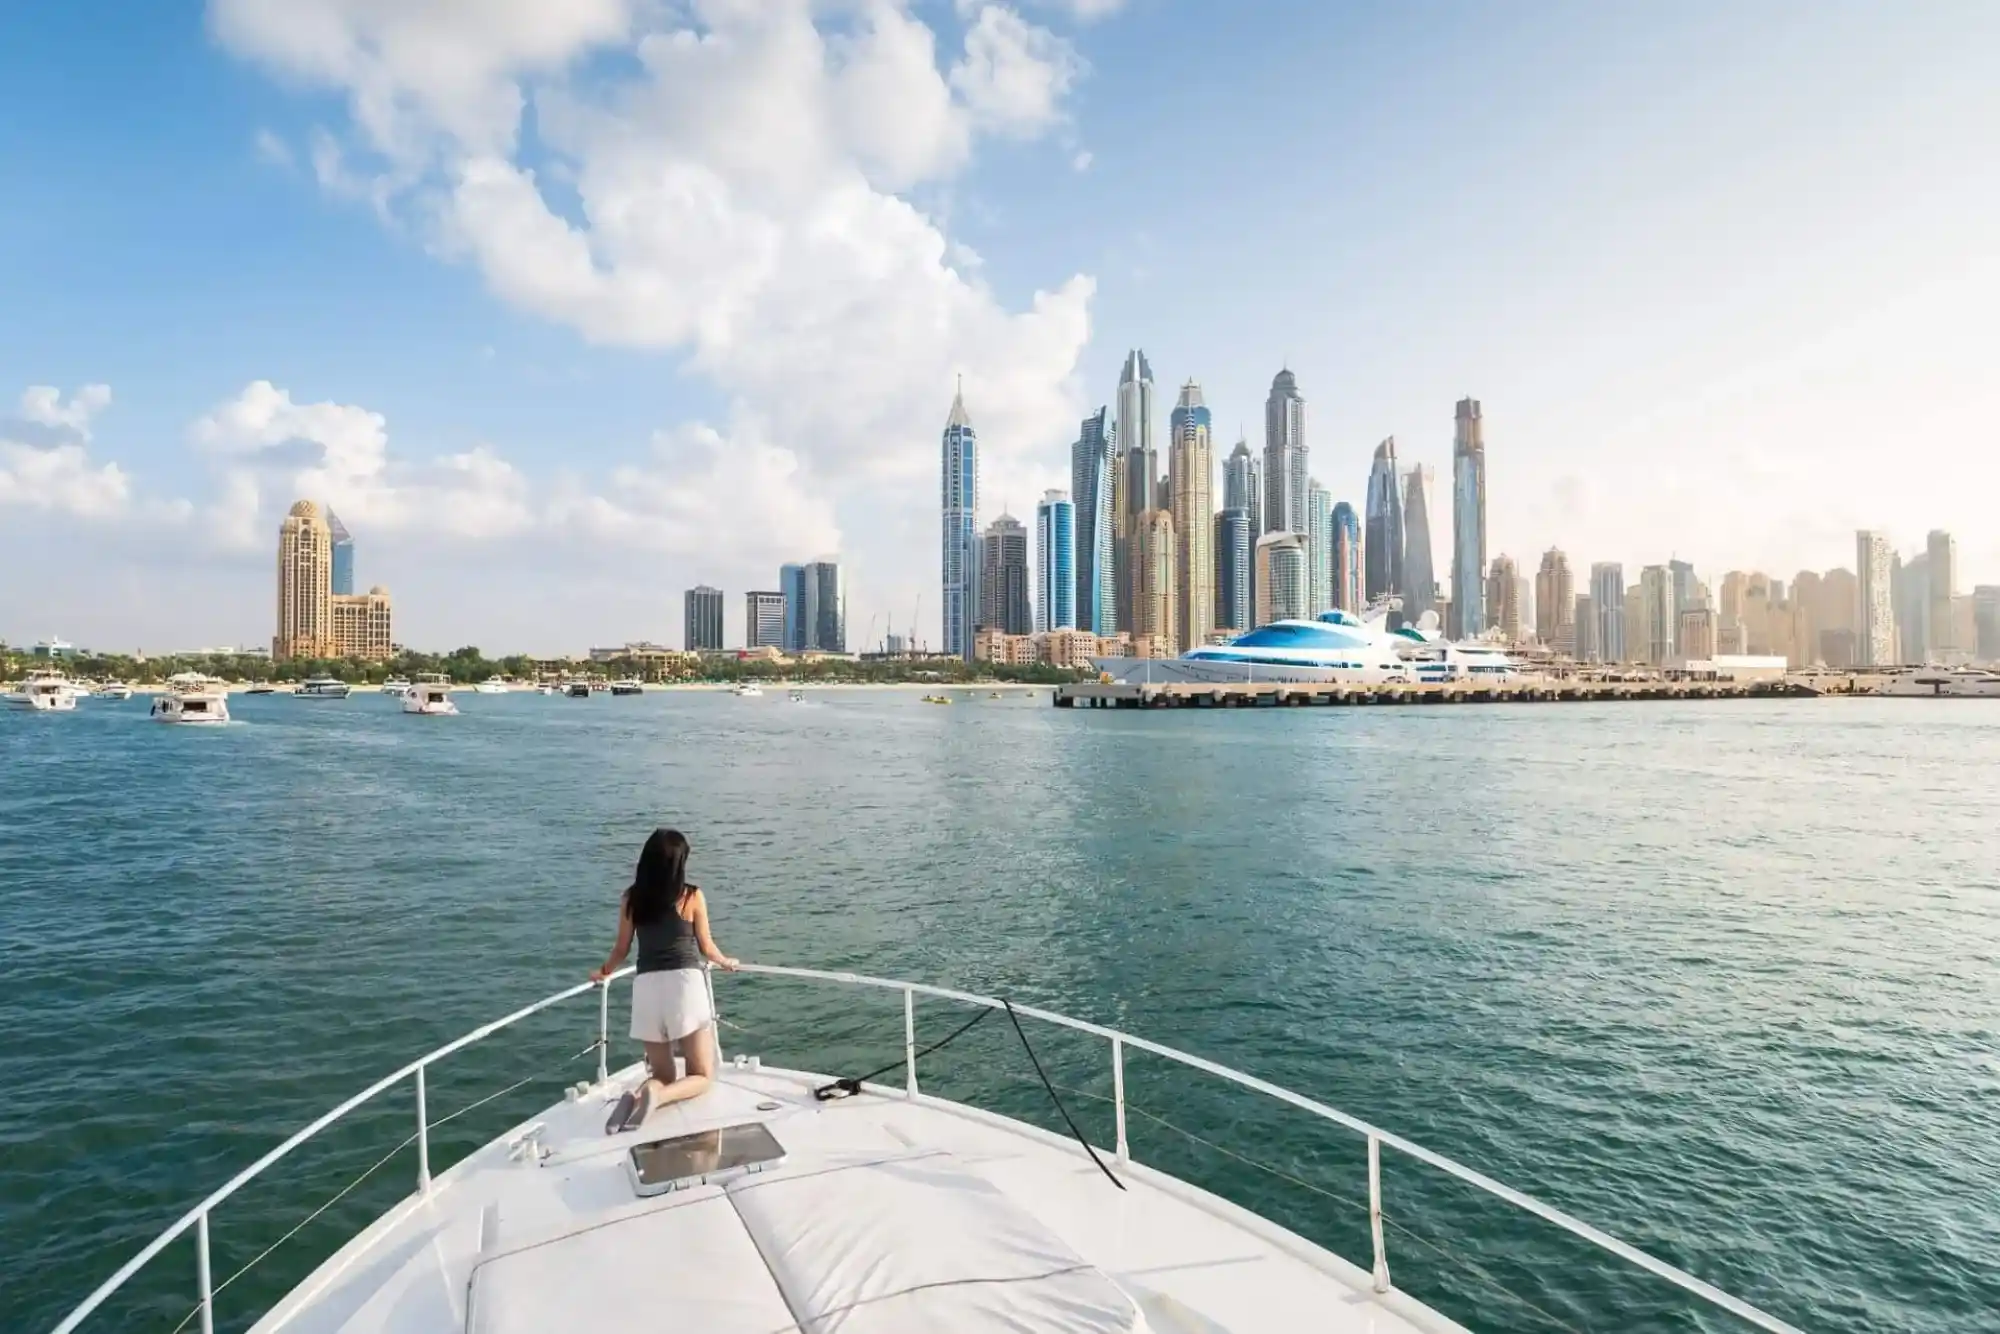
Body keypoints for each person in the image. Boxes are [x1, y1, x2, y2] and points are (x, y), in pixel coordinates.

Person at [589, 828, 738, 1133]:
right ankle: (657, 1095)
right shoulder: (692, 896)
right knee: (701, 1075)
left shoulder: (631, 899)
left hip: (646, 988)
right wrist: (725, 961)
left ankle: (636, 1095)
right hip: (684, 986)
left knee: (663, 1072)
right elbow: (707, 947)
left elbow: (621, 948)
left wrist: (603, 971)